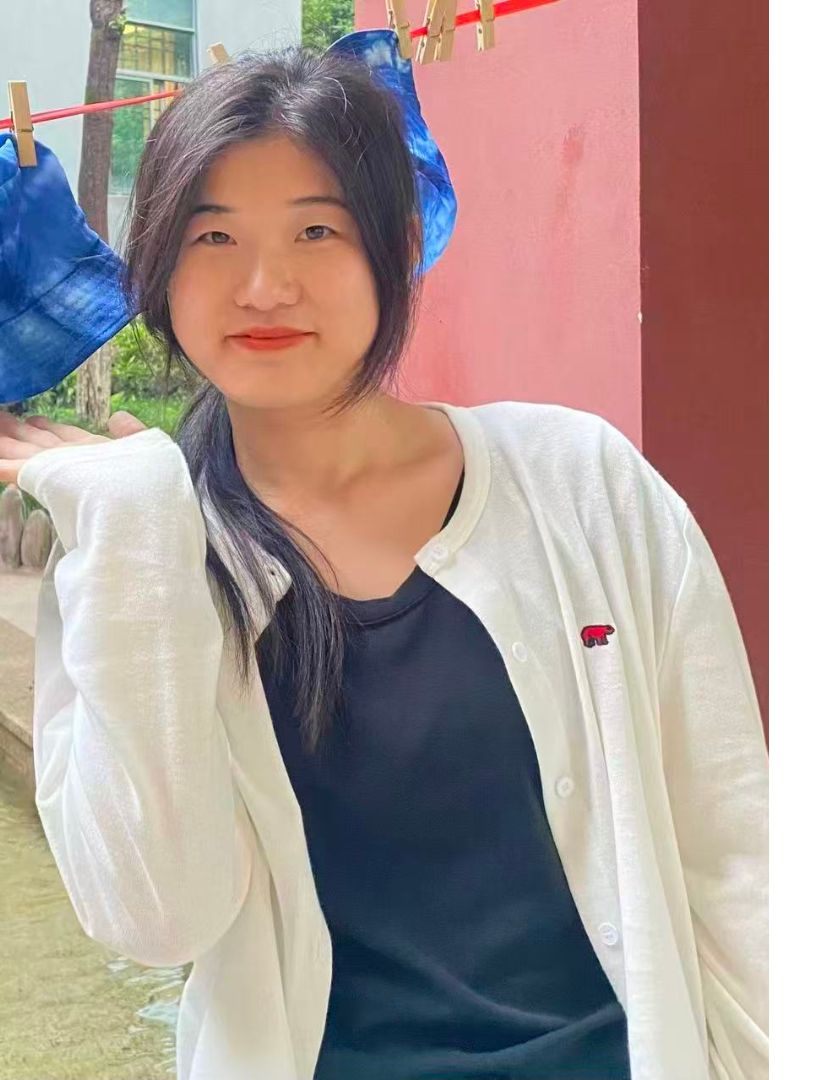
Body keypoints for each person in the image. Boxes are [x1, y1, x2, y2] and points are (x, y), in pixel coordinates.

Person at [0, 43, 767, 1080]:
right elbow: (157, 918)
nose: (264, 285)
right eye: (212, 236)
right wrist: (139, 528)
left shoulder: (582, 483)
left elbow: (734, 848)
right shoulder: (135, 558)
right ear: (159, 273)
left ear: (399, 245)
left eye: (316, 230)